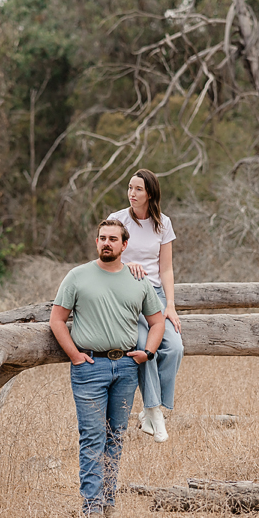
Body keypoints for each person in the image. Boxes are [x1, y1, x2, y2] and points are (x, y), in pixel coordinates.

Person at [50, 219, 166, 518]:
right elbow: (57, 320)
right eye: (102, 238)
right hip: (89, 367)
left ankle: (109, 500)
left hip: (127, 367)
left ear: (124, 245)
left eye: (113, 239)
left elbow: (157, 321)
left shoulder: (137, 279)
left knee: (115, 437)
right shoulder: (77, 276)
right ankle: (92, 508)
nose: (106, 243)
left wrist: (148, 352)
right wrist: (75, 355)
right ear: (96, 242)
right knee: (92, 437)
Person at [108, 169, 184, 443]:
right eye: (129, 187)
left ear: (150, 193)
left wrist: (171, 305)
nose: (131, 193)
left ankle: (150, 410)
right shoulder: (117, 220)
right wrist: (127, 264)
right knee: (144, 348)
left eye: (138, 189)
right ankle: (154, 412)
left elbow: (166, 269)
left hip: (154, 297)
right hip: (126, 296)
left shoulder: (163, 223)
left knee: (175, 347)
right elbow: (107, 258)